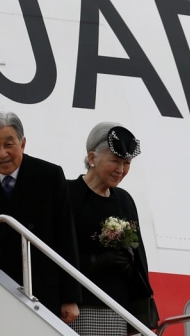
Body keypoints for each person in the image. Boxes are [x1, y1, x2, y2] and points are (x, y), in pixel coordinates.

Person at [0, 111, 81, 324]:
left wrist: (70, 297)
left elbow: (66, 238)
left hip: (40, 288)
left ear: (23, 144)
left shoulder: (49, 175)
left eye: (9, 144)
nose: (2, 153)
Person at [67, 122, 156, 335]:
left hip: (118, 307)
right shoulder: (68, 194)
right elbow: (55, 251)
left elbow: (140, 260)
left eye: (126, 163)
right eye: (115, 161)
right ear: (92, 158)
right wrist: (95, 262)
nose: (121, 170)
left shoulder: (124, 200)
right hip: (80, 306)